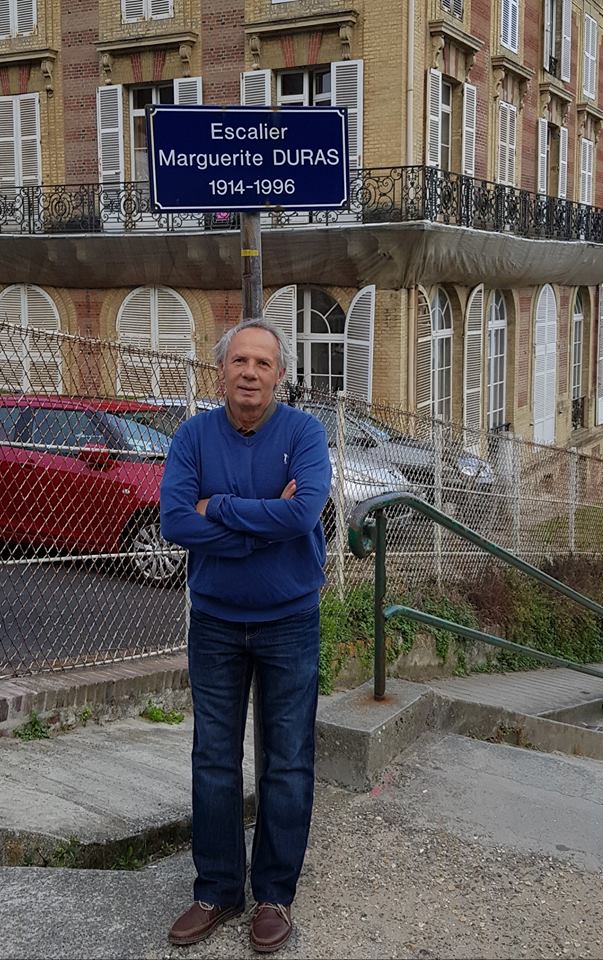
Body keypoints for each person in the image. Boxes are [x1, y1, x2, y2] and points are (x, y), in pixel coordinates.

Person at [160, 318, 332, 953]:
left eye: (263, 363)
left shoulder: (305, 433)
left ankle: (273, 896)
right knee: (213, 757)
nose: (250, 373)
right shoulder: (193, 436)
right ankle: (217, 891)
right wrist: (265, 527)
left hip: (290, 620)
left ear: (280, 375)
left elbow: (303, 513)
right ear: (221, 371)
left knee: (287, 760)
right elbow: (174, 520)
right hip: (215, 623)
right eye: (240, 361)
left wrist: (222, 509)